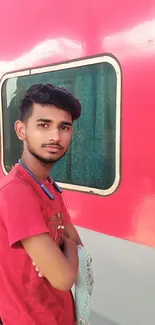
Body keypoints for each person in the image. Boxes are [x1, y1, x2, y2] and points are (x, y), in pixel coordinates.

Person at [0, 84, 83, 325]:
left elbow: (77, 245)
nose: (55, 137)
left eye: (64, 127)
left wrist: (61, 253)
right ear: (21, 130)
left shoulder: (47, 185)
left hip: (59, 314)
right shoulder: (18, 191)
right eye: (43, 125)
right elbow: (63, 277)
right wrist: (64, 252)